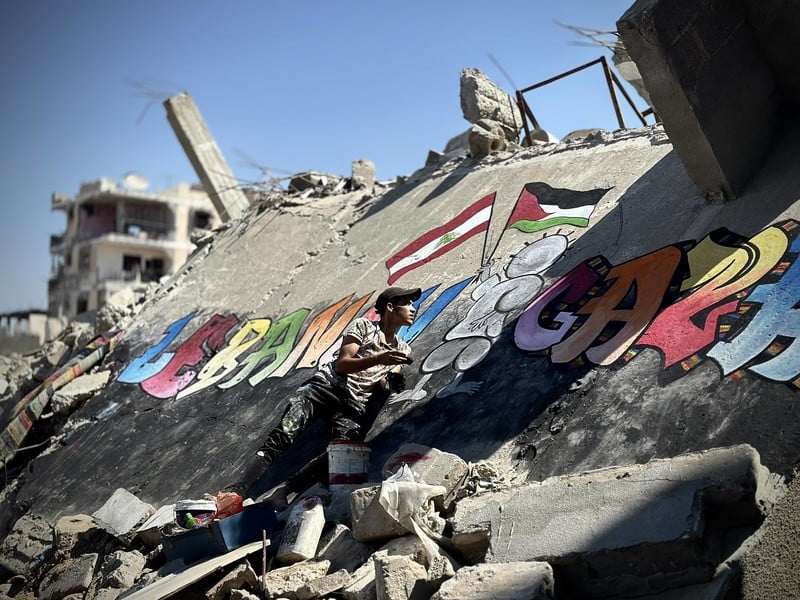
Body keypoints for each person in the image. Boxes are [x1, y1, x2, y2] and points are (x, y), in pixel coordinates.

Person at [215, 286, 421, 517]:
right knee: (285, 432)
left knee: (345, 452)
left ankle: (285, 490)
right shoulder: (363, 326)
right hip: (325, 387)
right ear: (391, 307)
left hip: (353, 403)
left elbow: (385, 381)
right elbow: (343, 363)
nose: (413, 309)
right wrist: (379, 359)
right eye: (408, 304)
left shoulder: (403, 348)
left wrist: (393, 382)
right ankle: (236, 491)